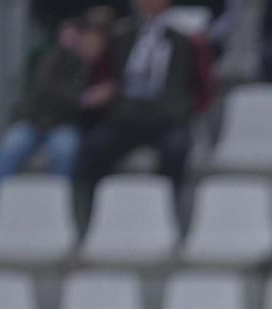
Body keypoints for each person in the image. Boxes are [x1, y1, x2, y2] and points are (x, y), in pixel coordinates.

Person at [73, 0, 199, 198]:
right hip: (126, 116)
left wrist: (184, 108)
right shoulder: (120, 35)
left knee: (176, 148)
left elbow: (202, 85)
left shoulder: (186, 39)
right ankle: (92, 213)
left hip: (168, 118)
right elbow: (103, 75)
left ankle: (167, 211)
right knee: (94, 147)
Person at [0, 13, 108, 198]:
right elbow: (46, 88)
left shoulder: (101, 69)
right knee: (13, 144)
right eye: (89, 39)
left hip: (66, 125)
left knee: (64, 148)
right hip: (34, 120)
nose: (92, 46)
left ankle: (57, 202)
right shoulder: (58, 56)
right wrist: (82, 99)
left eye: (97, 42)